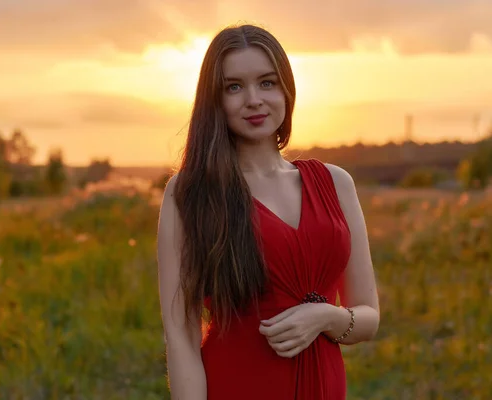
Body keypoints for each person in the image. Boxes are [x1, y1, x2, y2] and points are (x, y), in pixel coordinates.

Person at [157, 23, 380, 400]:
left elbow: (368, 318)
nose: (253, 100)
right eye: (234, 87)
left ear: (286, 89)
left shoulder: (336, 183)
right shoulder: (190, 193)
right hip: (237, 384)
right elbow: (181, 335)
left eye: (266, 82)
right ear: (214, 100)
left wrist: (326, 316)